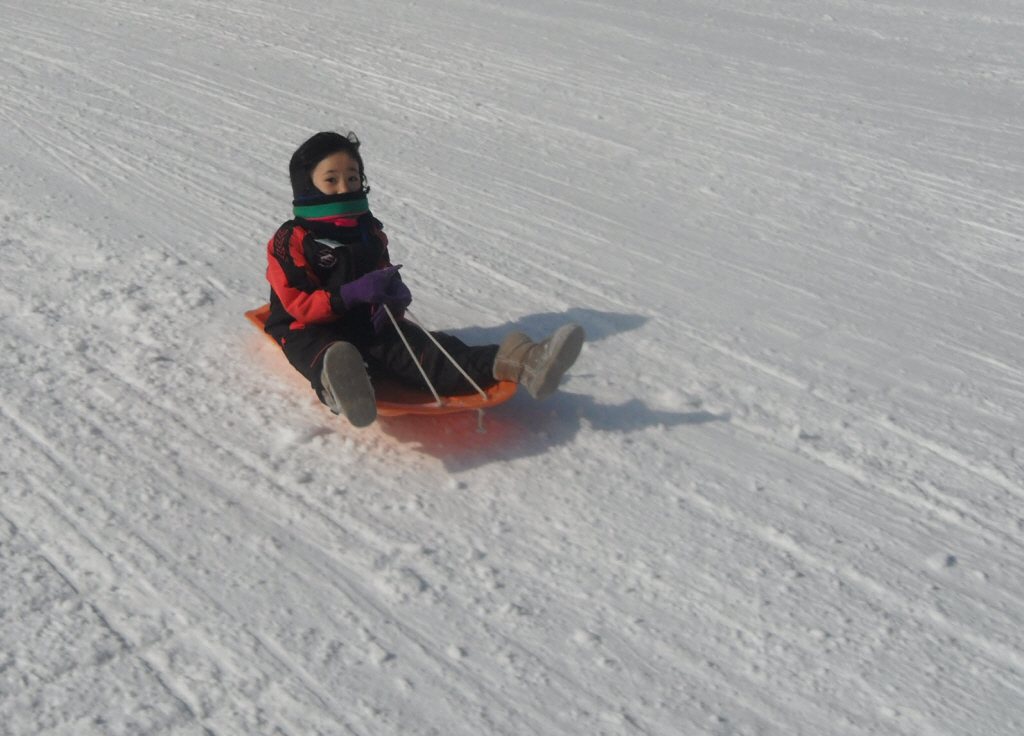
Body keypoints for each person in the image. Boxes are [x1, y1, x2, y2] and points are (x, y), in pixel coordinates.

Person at [264, 130, 584, 427]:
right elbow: (298, 305)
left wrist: (391, 296)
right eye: (331, 179)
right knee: (323, 350)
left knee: (427, 354)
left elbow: (380, 274)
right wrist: (348, 295)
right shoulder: (292, 238)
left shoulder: (369, 231)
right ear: (307, 186)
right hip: (306, 326)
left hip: (366, 323)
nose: (345, 187)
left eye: (352, 177)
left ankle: (522, 360)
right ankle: (341, 384)